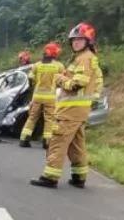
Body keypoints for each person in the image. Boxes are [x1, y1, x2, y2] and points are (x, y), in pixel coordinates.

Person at [31, 23, 103, 189]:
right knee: (76, 144)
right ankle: (79, 177)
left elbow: (78, 83)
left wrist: (60, 80)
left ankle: (50, 177)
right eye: (74, 40)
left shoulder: (84, 58)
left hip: (71, 110)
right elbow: (95, 83)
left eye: (80, 40)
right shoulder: (87, 58)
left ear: (88, 41)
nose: (76, 43)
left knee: (58, 140)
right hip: (79, 110)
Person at [19, 42, 66, 149]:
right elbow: (63, 80)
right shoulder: (58, 66)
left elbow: (30, 79)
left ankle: (24, 139)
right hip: (50, 97)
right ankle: (47, 142)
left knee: (32, 118)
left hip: (37, 96)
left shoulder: (37, 65)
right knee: (49, 119)